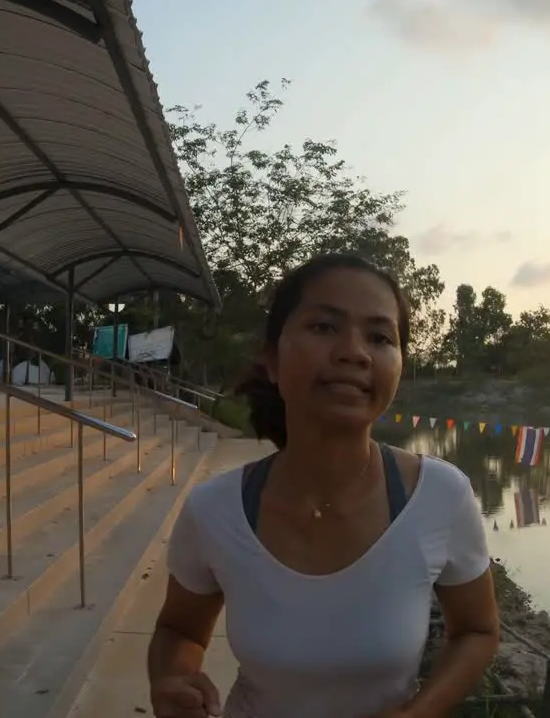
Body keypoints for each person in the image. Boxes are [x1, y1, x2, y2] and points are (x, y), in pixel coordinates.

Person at [147, 253, 499, 717]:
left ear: (398, 366)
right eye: (323, 327)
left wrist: (421, 711)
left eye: (379, 336)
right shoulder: (214, 510)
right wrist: (171, 679)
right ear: (271, 360)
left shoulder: (440, 496)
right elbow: (181, 632)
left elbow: (477, 631)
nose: (354, 352)